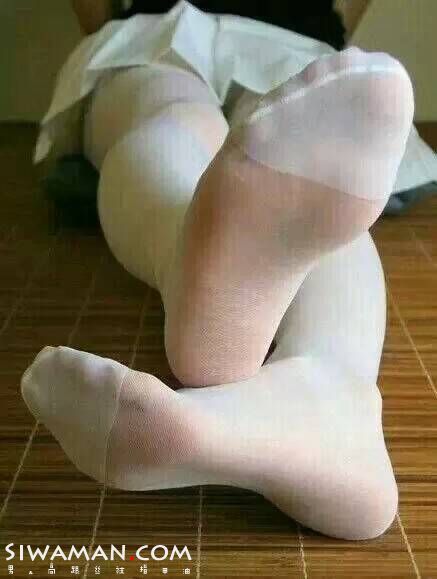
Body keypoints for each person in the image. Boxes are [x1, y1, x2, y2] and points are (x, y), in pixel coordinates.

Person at [21, 0, 423, 540]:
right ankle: (334, 379)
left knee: (175, 118)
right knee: (318, 176)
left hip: (158, 30)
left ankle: (196, 277)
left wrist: (106, 26)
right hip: (278, 32)